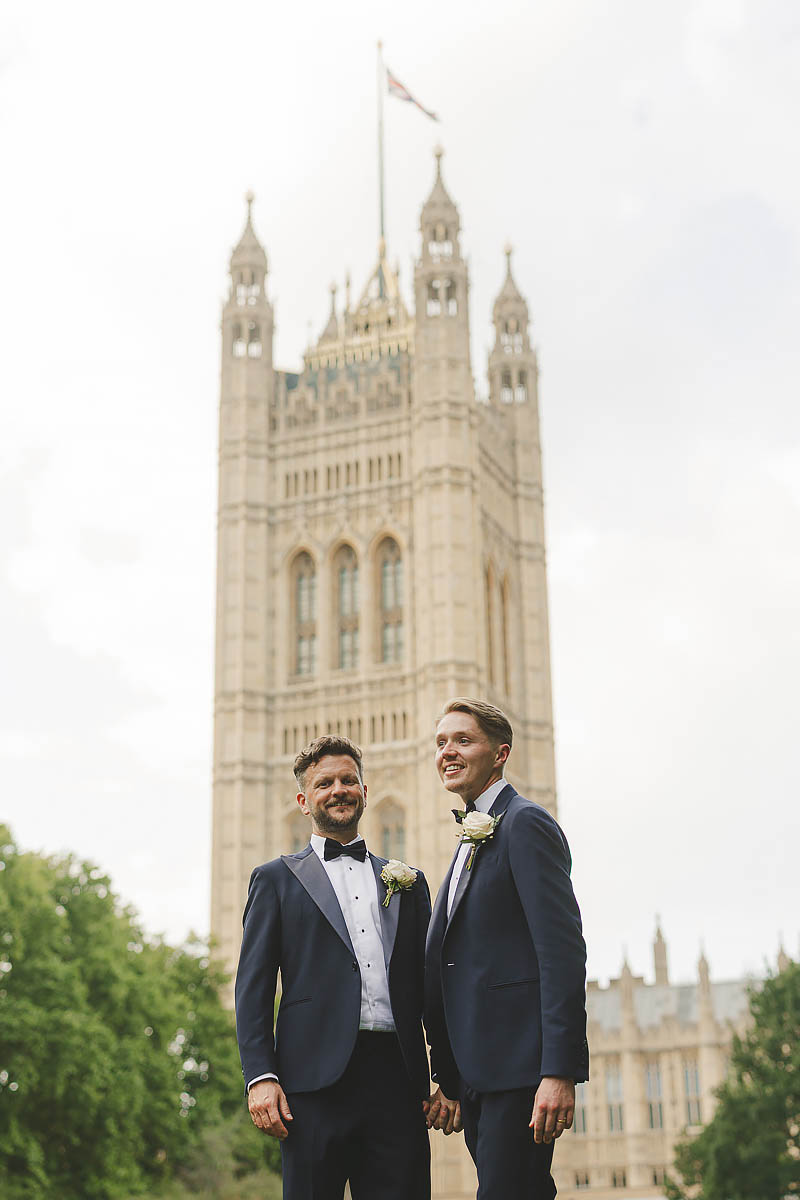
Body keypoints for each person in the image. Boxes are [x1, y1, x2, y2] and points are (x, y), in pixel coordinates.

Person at [235, 734, 432, 1200]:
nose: (339, 789)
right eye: (325, 783)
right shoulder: (274, 880)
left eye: (349, 780)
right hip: (311, 1084)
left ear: (364, 789)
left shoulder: (408, 882)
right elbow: (254, 990)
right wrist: (261, 1077)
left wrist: (446, 1076)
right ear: (304, 801)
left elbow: (432, 987)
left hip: (397, 1081)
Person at [424, 698, 589, 1199]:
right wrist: (451, 1079)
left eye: (463, 740)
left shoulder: (524, 823)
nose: (448, 751)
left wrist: (558, 1070)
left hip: (520, 1072)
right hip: (479, 1076)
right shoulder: (470, 838)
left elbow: (562, 951)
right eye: (441, 743)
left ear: (500, 753)